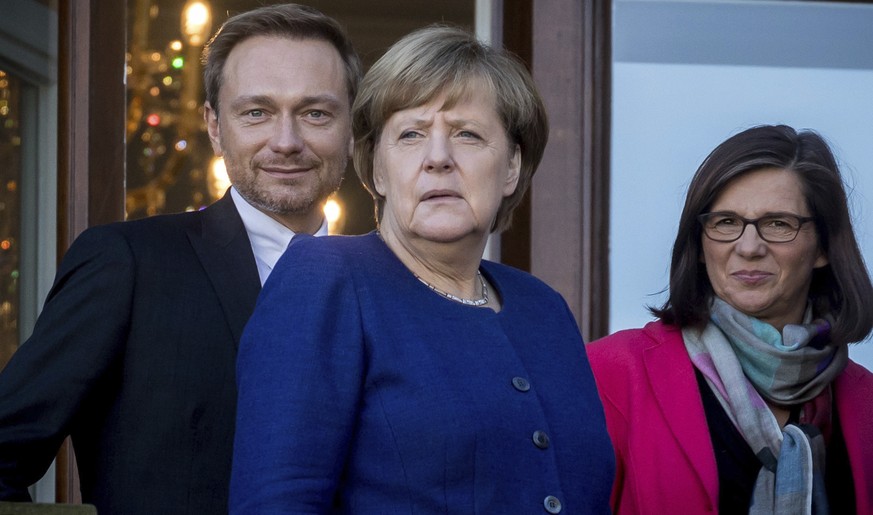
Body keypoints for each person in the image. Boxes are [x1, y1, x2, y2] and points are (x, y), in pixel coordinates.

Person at [230, 25, 614, 514]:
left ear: (512, 166)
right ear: (376, 169)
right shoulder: (326, 278)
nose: (438, 158)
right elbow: (279, 500)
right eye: (411, 135)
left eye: (467, 135)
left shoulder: (544, 308)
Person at [0, 4, 361, 514]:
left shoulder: (388, 284)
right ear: (214, 125)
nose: (286, 141)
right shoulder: (127, 264)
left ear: (351, 127)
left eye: (315, 113)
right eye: (256, 112)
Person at [587, 124, 873, 514]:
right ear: (700, 244)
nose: (749, 247)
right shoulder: (612, 374)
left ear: (823, 245)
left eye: (778, 223)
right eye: (725, 222)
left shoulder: (865, 403)